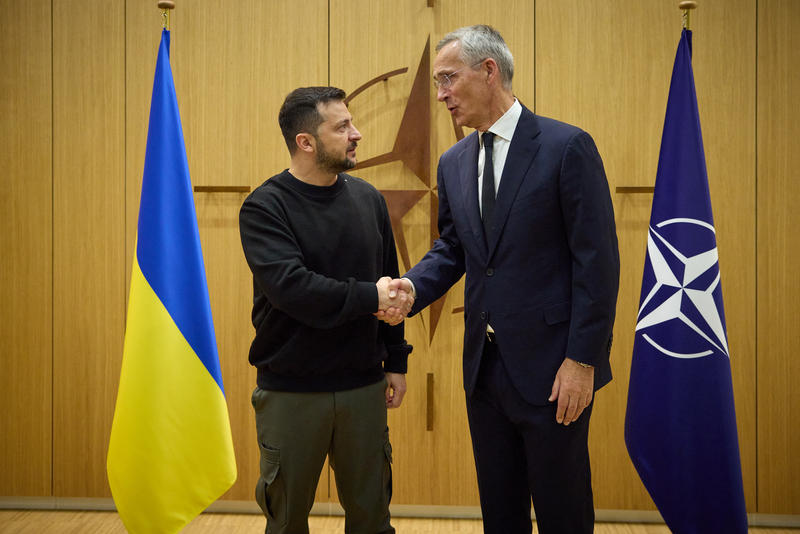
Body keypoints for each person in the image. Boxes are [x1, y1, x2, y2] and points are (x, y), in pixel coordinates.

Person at [380, 25, 620, 533]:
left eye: (448, 78)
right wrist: (413, 287)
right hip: (484, 371)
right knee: (500, 514)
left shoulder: (566, 147)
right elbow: (455, 248)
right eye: (438, 82)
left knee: (563, 512)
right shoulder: (453, 162)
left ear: (489, 71)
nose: (441, 94)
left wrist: (583, 361)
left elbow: (597, 265)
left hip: (556, 370)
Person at [239, 86, 413, 534]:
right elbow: (294, 290)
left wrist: (396, 360)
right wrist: (372, 298)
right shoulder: (265, 207)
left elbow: (389, 281)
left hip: (363, 386)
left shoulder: (369, 199)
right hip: (292, 391)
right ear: (306, 142)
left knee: (373, 520)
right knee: (286, 522)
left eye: (351, 123)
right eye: (342, 127)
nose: (357, 134)